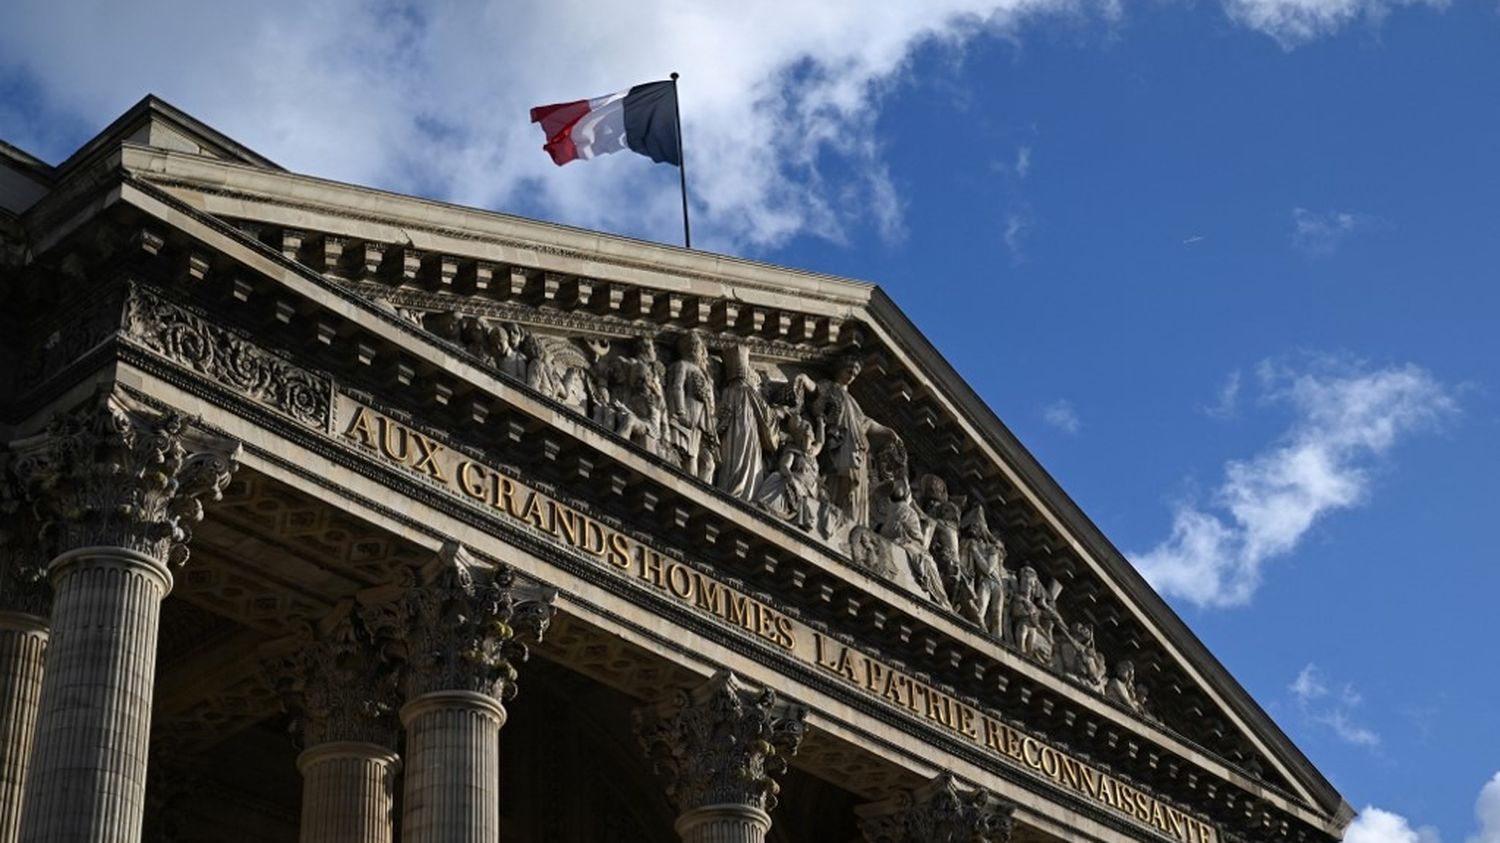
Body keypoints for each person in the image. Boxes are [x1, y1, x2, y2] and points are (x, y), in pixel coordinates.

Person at [810, 355, 897, 528]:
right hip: (839, 441)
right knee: (840, 474)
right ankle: (833, 505)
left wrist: (888, 431)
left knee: (855, 480)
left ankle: (848, 517)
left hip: (856, 449)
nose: (851, 376)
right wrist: (803, 379)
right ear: (839, 369)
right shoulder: (829, 387)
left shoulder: (853, 402)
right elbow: (814, 390)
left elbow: (866, 423)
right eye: (849, 371)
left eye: (855, 374)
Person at [715, 345, 777, 501]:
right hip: (747, 433)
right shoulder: (749, 391)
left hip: (729, 437)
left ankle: (730, 490)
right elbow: (766, 417)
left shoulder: (726, 391)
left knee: (731, 464)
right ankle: (744, 494)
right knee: (746, 462)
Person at [666, 332, 718, 482]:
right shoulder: (683, 365)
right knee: (691, 456)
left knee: (709, 463)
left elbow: (709, 400)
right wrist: (680, 412)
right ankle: (690, 483)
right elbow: (677, 387)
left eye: (699, 347)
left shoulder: (703, 373)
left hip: (702, 420)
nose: (698, 351)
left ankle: (702, 490)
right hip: (688, 414)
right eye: (695, 347)